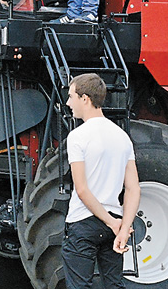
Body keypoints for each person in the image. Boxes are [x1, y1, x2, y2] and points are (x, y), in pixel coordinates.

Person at [62, 73, 141, 289]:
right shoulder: (122, 136)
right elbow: (133, 189)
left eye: (71, 97)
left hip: (84, 223)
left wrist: (111, 222)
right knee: (114, 286)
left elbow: (82, 190)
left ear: (85, 99)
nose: (68, 103)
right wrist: (123, 227)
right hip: (113, 224)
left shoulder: (77, 137)